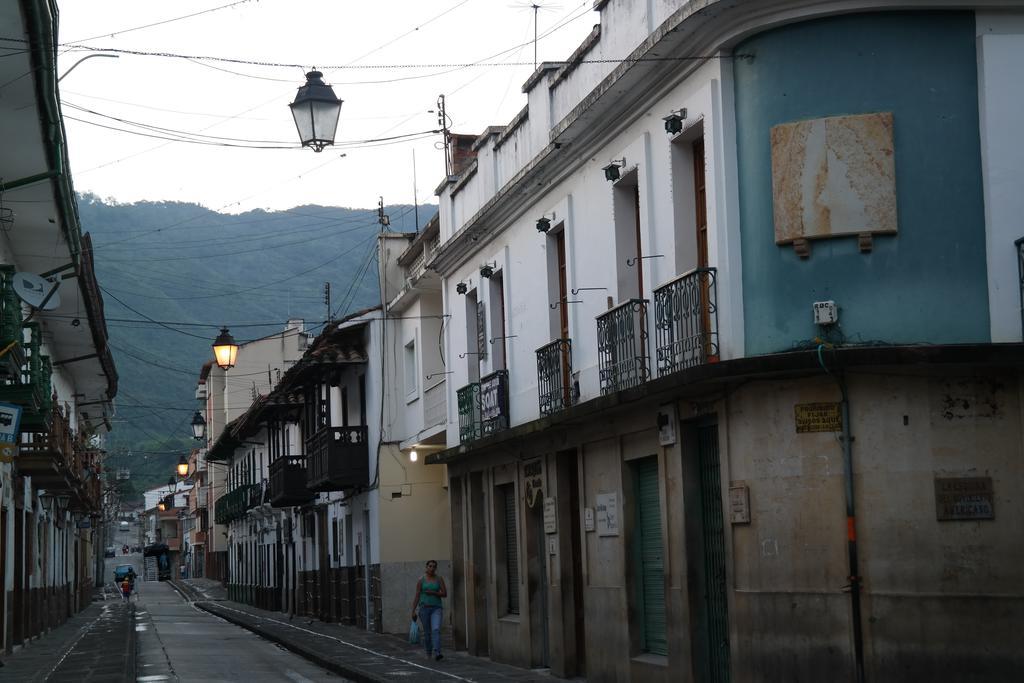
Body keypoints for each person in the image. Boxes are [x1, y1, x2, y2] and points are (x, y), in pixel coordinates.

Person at [410, 560, 447, 661]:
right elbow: (417, 595)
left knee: (436, 630)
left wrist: (434, 593)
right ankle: (428, 653)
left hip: (436, 608)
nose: (432, 568)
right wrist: (413, 611)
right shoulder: (421, 580)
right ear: (426, 567)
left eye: (434, 567)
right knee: (427, 633)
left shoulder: (439, 579)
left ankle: (438, 652)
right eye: (430, 566)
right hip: (424, 608)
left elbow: (444, 594)